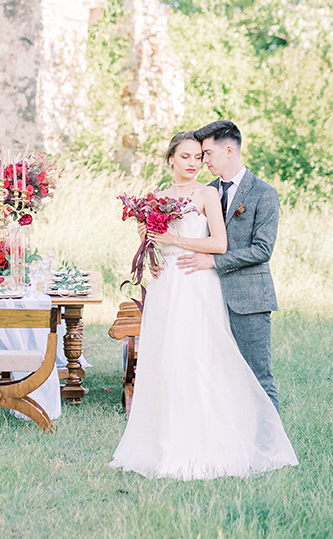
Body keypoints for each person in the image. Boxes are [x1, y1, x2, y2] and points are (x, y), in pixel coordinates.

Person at [109, 130, 297, 480]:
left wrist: (175, 240)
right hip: (167, 285)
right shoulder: (159, 196)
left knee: (203, 359)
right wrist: (151, 250)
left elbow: (220, 243)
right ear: (171, 159)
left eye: (200, 156)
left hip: (197, 283)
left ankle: (251, 444)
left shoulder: (209, 192)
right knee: (167, 361)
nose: (196, 163)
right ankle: (164, 440)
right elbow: (153, 238)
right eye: (188, 157)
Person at [177, 120, 280, 410]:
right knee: (217, 376)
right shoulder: (205, 192)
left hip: (248, 299)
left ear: (229, 150)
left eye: (207, 153)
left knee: (258, 376)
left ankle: (270, 449)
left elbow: (262, 249)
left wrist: (214, 260)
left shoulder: (263, 193)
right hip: (205, 296)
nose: (203, 160)